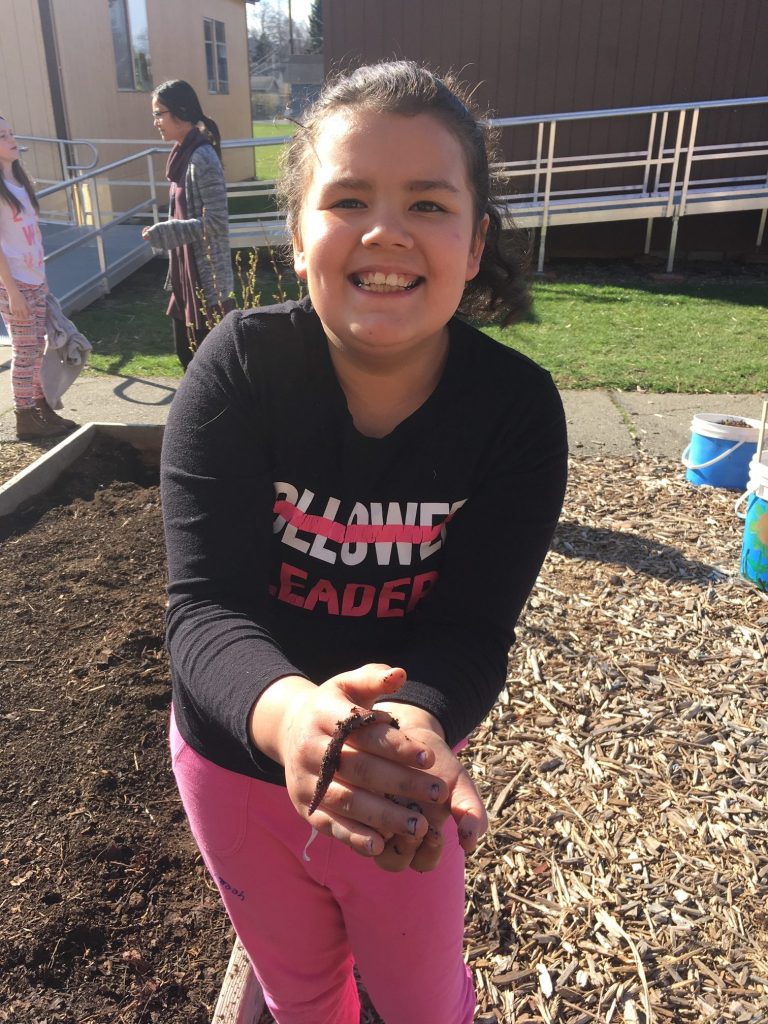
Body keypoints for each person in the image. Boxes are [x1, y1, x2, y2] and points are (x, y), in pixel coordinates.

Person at [161, 61, 568, 1024]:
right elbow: (204, 610)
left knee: (424, 999)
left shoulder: (515, 412)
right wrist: (291, 714)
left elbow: (473, 628)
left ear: (475, 245)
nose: (387, 230)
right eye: (348, 199)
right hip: (236, 765)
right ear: (299, 236)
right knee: (303, 996)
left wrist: (418, 723)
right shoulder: (239, 370)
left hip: (401, 773)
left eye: (428, 201)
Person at [142, 80, 233, 370]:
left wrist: (166, 232)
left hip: (206, 280)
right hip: (185, 278)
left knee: (208, 365)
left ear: (180, 111)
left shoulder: (201, 157)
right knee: (188, 355)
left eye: (159, 113)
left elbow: (216, 221)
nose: (156, 121)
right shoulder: (182, 155)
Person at [0, 115, 78, 440]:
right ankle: (24, 416)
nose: (11, 138)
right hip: (12, 285)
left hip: (34, 280)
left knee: (39, 347)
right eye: (2, 135)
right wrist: (13, 291)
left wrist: (41, 279)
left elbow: (30, 235)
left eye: (11, 132)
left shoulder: (19, 181)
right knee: (25, 350)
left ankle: (41, 408)